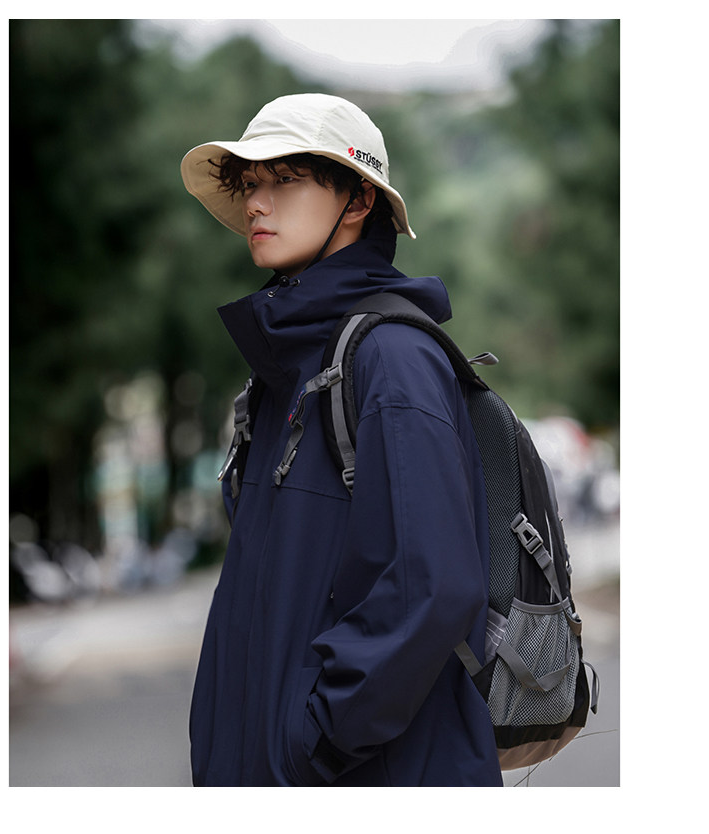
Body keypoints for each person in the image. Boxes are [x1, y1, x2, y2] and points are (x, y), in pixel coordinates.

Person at [180, 93, 502, 786]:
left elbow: (433, 588)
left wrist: (312, 744)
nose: (255, 204)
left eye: (284, 179)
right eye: (250, 183)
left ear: (357, 200)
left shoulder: (391, 358)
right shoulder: (287, 368)